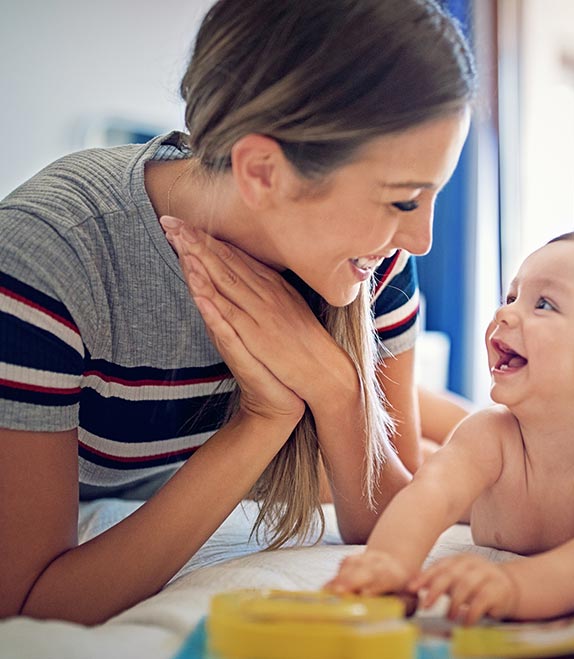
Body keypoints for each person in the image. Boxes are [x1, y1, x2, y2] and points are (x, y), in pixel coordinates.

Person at [0, 0, 475, 624]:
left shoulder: (371, 254)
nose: (421, 240)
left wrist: (335, 390)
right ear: (261, 170)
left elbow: (394, 521)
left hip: (177, 462)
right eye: (404, 199)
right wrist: (264, 416)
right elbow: (29, 605)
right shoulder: (50, 260)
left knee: (465, 451)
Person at [326, 229, 574, 624]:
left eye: (544, 304)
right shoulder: (489, 434)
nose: (504, 314)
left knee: (422, 445)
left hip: (503, 514)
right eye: (511, 297)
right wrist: (389, 563)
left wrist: (515, 586)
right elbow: (430, 496)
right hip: (474, 486)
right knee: (425, 462)